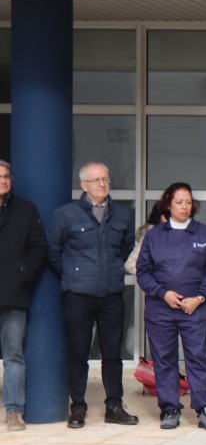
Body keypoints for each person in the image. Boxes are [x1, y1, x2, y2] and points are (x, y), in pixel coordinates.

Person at [46, 162, 138, 429]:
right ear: (84, 185)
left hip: (111, 295)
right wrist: (73, 276)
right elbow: (53, 251)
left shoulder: (122, 215)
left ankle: (114, 406)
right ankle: (77, 407)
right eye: (96, 180)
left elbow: (126, 250)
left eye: (106, 179)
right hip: (79, 296)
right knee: (78, 353)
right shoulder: (65, 214)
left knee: (113, 353)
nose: (103, 184)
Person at [135, 183, 206, 431]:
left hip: (193, 308)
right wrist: (163, 294)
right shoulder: (154, 236)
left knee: (198, 358)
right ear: (168, 204)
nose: (185, 206)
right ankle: (169, 409)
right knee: (164, 359)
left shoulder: (203, 233)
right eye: (179, 202)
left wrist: (200, 298)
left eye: (188, 202)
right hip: (160, 308)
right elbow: (143, 272)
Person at [128, 205, 206, 391]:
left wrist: (199, 297)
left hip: (192, 302)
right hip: (161, 302)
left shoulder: (198, 234)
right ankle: (170, 402)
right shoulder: (152, 236)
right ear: (162, 216)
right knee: (165, 355)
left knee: (198, 351)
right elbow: (134, 265)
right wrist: (159, 287)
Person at [0, 160, 47, 431]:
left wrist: (22, 274)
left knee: (13, 356)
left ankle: (14, 412)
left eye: (6, 176)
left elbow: (38, 249)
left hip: (13, 295)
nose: (3, 181)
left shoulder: (26, 210)